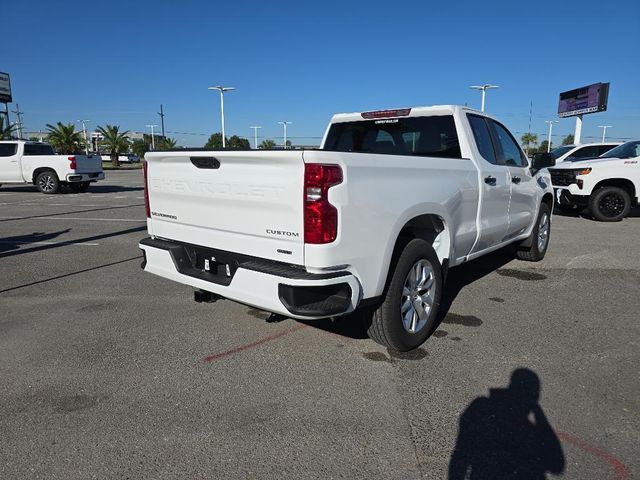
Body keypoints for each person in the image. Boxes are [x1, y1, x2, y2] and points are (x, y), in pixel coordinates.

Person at [449, 368, 565, 479]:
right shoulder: (527, 427)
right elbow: (556, 466)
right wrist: (537, 410)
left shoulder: (481, 405)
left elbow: (462, 449)